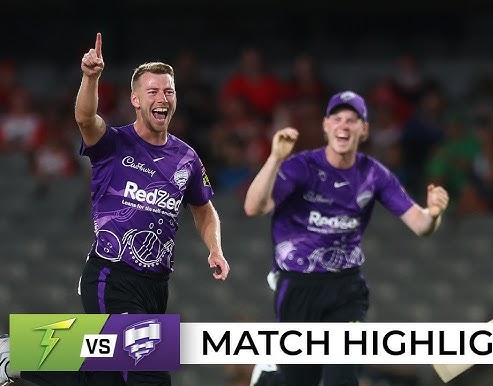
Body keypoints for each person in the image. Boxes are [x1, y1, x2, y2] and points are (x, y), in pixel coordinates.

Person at [0, 32, 230, 386]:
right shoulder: (114, 143)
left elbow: (203, 208)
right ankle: (21, 355)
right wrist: (91, 77)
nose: (162, 98)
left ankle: (19, 355)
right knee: (149, 375)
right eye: (152, 91)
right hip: (112, 276)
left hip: (156, 286)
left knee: (109, 377)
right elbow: (84, 118)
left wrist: (214, 247)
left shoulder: (186, 157)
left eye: (168, 91)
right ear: (135, 100)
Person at [243, 90, 449, 386]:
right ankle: (270, 373)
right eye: (337, 118)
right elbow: (253, 207)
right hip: (298, 286)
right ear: (326, 125)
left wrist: (435, 213)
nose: (344, 125)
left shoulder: (373, 174)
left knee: (343, 378)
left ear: (364, 129)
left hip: (346, 289)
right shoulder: (301, 166)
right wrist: (275, 158)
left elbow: (420, 224)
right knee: (299, 381)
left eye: (352, 120)